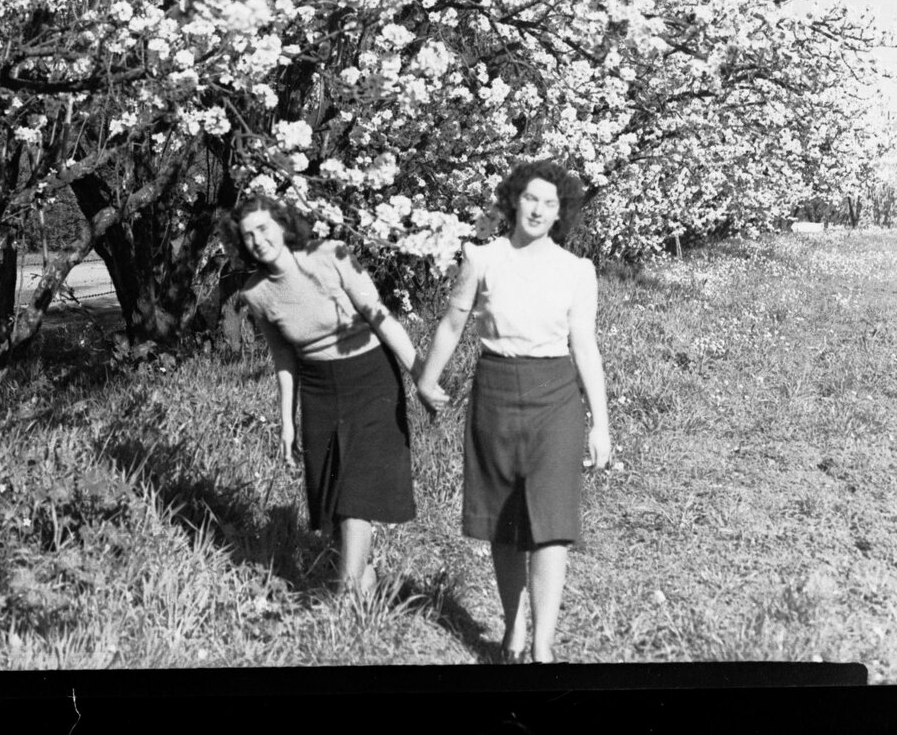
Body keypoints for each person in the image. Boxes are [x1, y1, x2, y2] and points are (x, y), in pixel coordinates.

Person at [413, 160, 613, 663]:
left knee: (551, 522)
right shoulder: (482, 258)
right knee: (504, 521)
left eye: (550, 203)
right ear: (513, 201)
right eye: (531, 199)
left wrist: (601, 423)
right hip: (496, 392)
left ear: (561, 212)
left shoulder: (577, 270)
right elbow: (452, 325)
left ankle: (543, 645)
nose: (539, 210)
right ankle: (514, 627)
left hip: (556, 397)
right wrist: (427, 379)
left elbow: (585, 347)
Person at [234, 193, 434, 598]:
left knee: (355, 490)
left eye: (263, 229)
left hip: (370, 378)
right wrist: (287, 423)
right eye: (248, 235)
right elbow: (284, 360)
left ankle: (345, 598)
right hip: (319, 389)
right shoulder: (256, 293)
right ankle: (364, 579)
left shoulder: (331, 255)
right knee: (331, 495)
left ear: (283, 226)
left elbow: (380, 316)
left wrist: (422, 377)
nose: (258, 240)